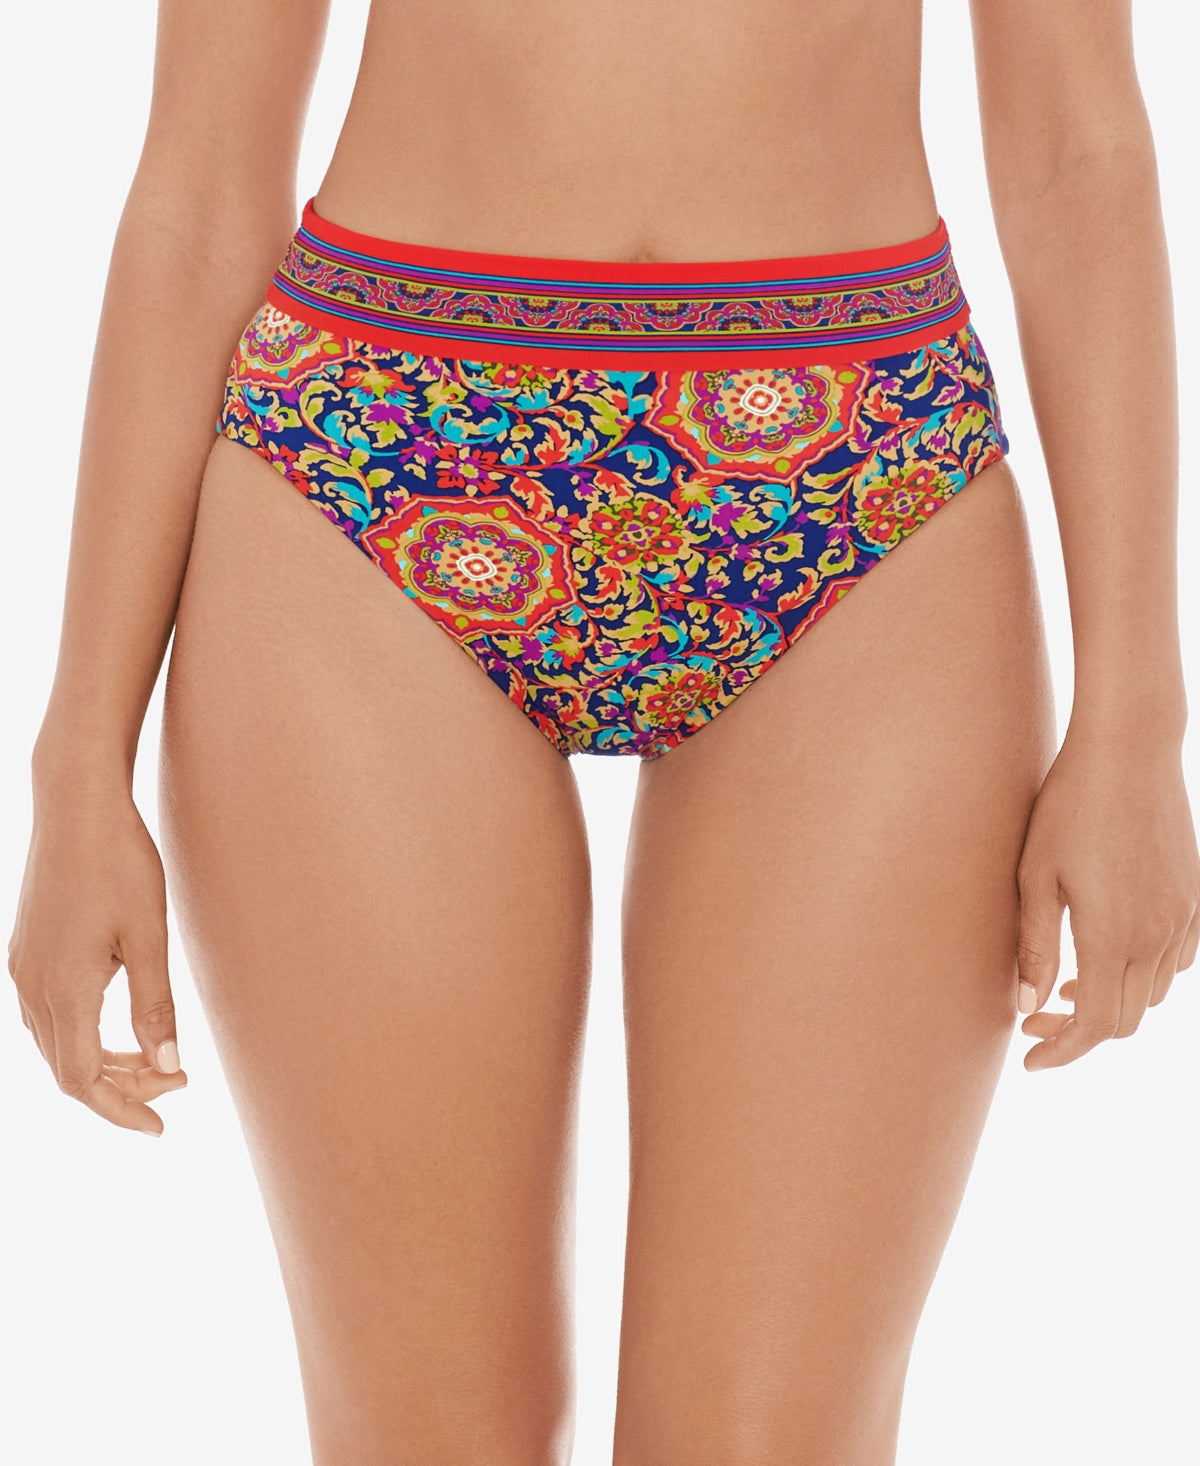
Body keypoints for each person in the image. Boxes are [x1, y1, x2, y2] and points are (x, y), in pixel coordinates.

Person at [7, 2, 1197, 1462]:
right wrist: (78, 761)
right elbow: (198, 185)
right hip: (381, 440)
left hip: (862, 459)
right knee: (427, 1438)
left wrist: (1138, 718)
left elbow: (1080, 148)